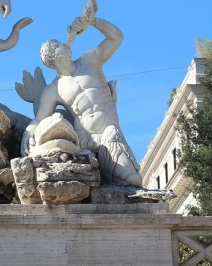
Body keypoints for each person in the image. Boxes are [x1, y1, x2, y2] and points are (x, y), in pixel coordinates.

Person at [22, 13, 142, 186]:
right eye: (58, 45)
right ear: (53, 57)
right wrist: (28, 132)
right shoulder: (53, 89)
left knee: (133, 180)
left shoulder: (89, 60)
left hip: (108, 132)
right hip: (83, 140)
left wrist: (92, 21)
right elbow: (39, 119)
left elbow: (116, 38)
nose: (63, 43)